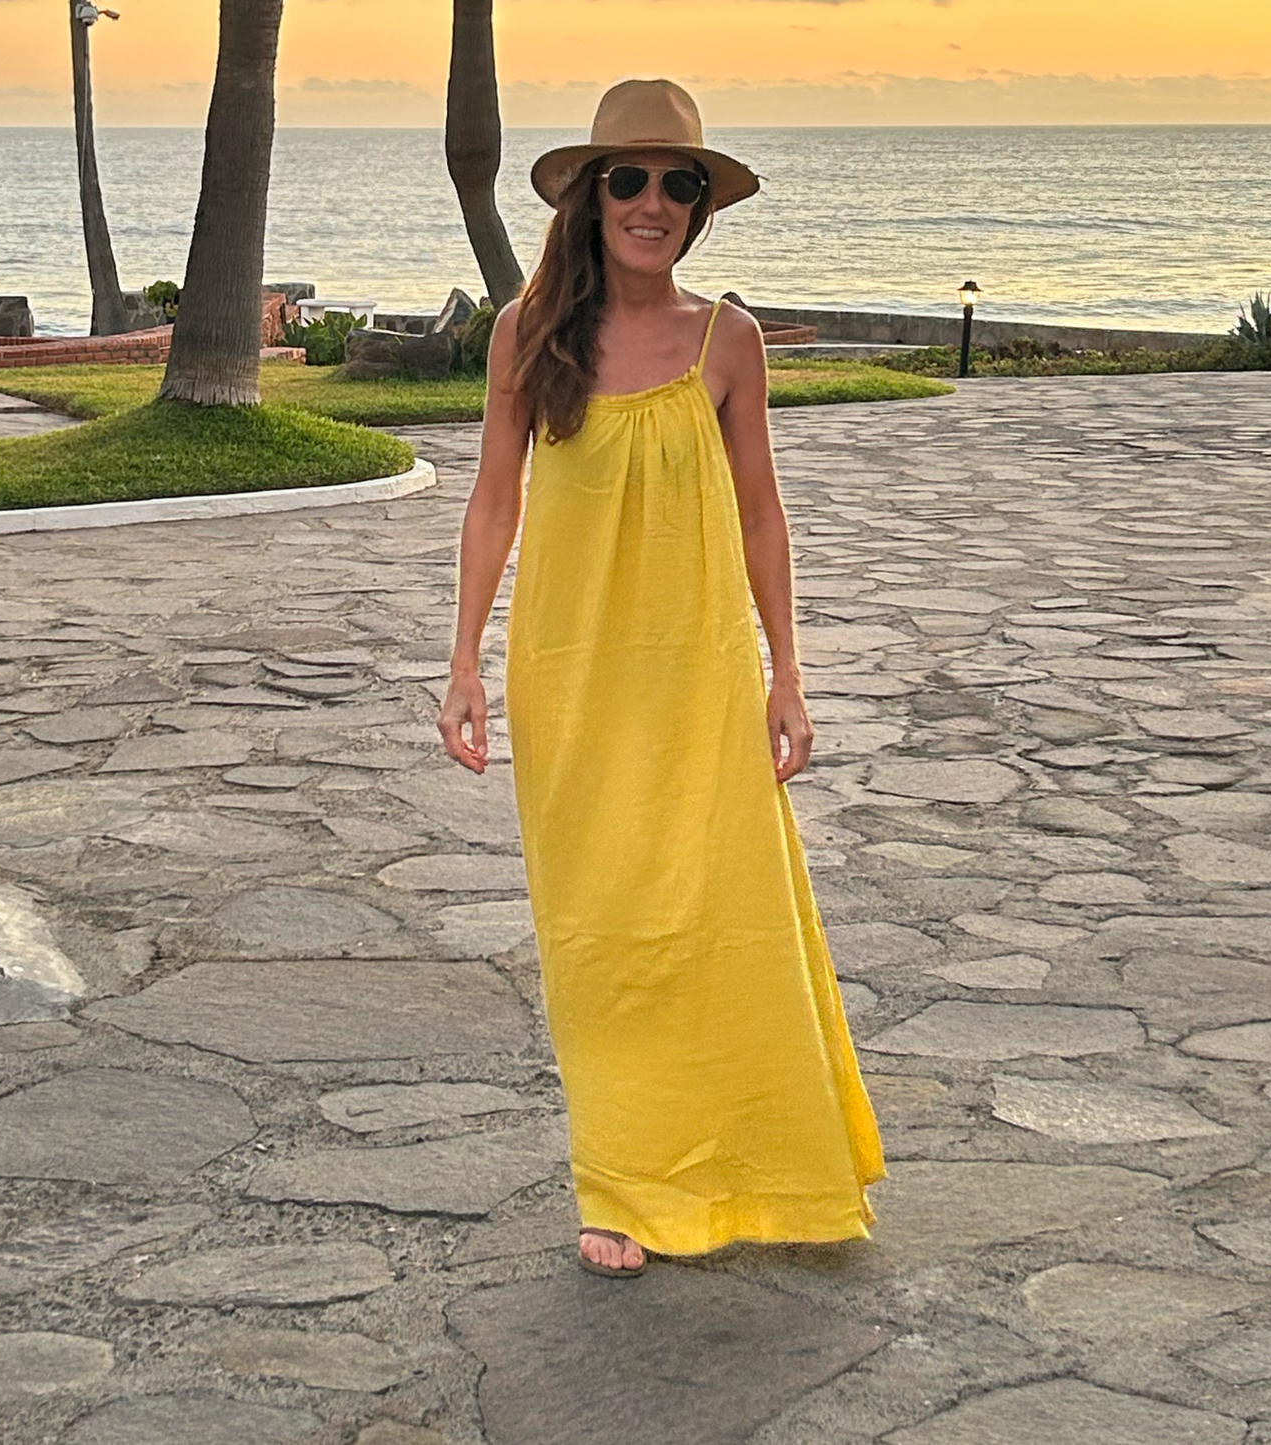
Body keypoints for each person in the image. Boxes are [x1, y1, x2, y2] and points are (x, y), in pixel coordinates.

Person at [439, 78, 884, 1279]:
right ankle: (624, 1180)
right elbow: (493, 501)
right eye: (625, 180)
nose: (649, 202)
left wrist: (788, 669)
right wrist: (463, 661)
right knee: (602, 935)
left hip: (698, 678)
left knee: (722, 921)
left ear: (698, 207)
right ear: (589, 200)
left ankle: (764, 1162)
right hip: (568, 677)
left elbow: (761, 515)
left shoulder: (725, 339)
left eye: (674, 184)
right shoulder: (526, 333)